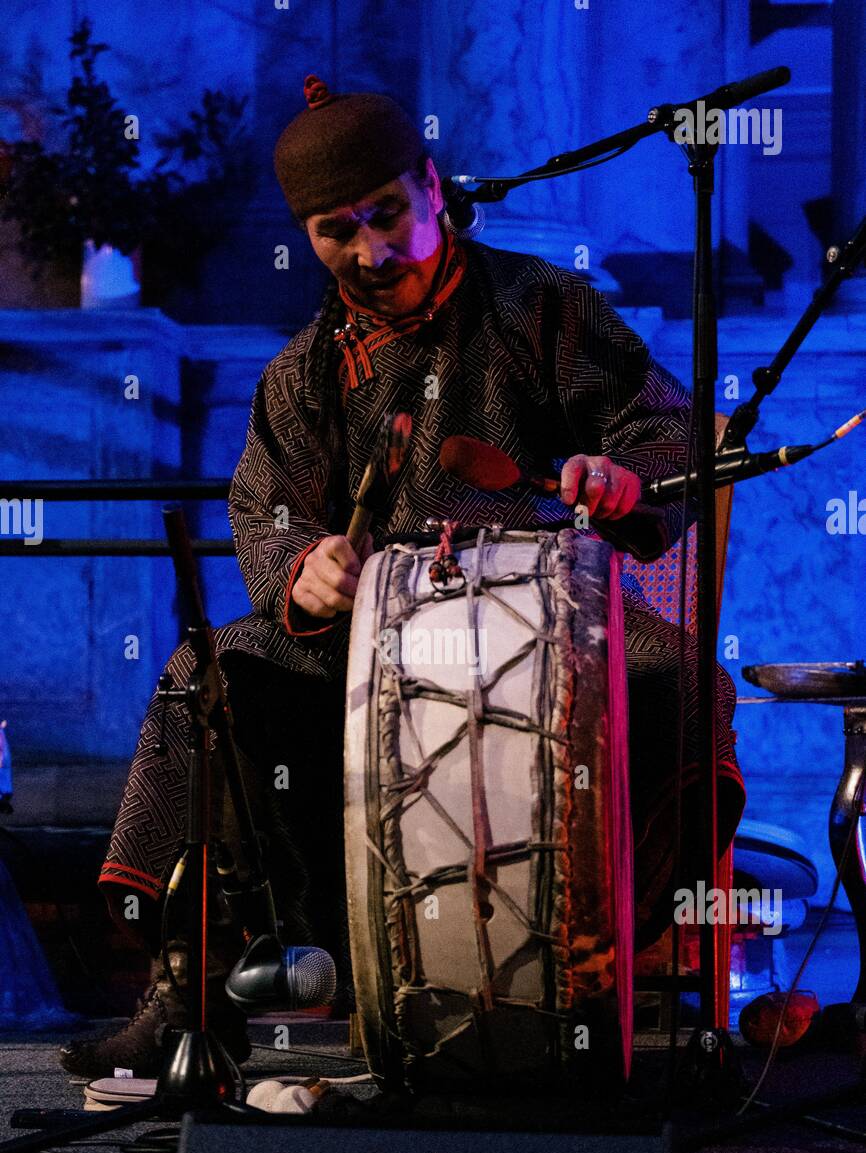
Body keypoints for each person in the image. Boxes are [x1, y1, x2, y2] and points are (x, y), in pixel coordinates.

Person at [59, 75, 745, 1079]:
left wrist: (618, 475)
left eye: (387, 216)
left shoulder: (540, 307)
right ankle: (190, 988)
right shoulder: (301, 373)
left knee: (683, 680)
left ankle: (588, 958)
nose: (372, 252)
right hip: (373, 645)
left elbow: (666, 430)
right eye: (338, 232)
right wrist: (301, 570)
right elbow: (265, 508)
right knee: (210, 673)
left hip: (549, 622)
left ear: (429, 186)